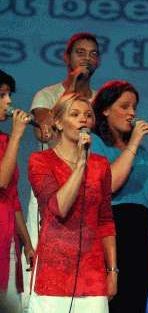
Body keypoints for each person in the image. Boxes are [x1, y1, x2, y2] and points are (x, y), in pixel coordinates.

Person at [24, 32, 101, 305]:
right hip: (52, 186)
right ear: (66, 57)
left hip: (89, 183)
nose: (87, 58)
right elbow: (45, 135)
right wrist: (73, 87)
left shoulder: (101, 100)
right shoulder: (48, 94)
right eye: (81, 52)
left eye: (93, 53)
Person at [27, 93, 116, 312]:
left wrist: (112, 270)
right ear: (58, 122)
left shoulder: (101, 165)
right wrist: (80, 164)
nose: (83, 119)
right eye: (74, 114)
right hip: (52, 274)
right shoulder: (40, 161)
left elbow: (105, 221)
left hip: (92, 275)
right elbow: (58, 208)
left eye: (88, 115)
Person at [91, 80, 148, 313]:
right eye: (124, 106)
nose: (132, 113)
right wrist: (134, 141)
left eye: (134, 107)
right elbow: (110, 184)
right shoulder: (96, 144)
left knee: (135, 305)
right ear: (105, 110)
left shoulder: (143, 154)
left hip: (140, 240)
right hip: (112, 236)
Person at [0, 70, 34, 313]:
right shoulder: (10, 141)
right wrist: (18, 136)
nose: (9, 102)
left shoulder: (5, 141)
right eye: (2, 95)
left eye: (9, 95)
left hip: (8, 242)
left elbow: (12, 197)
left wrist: (28, 244)